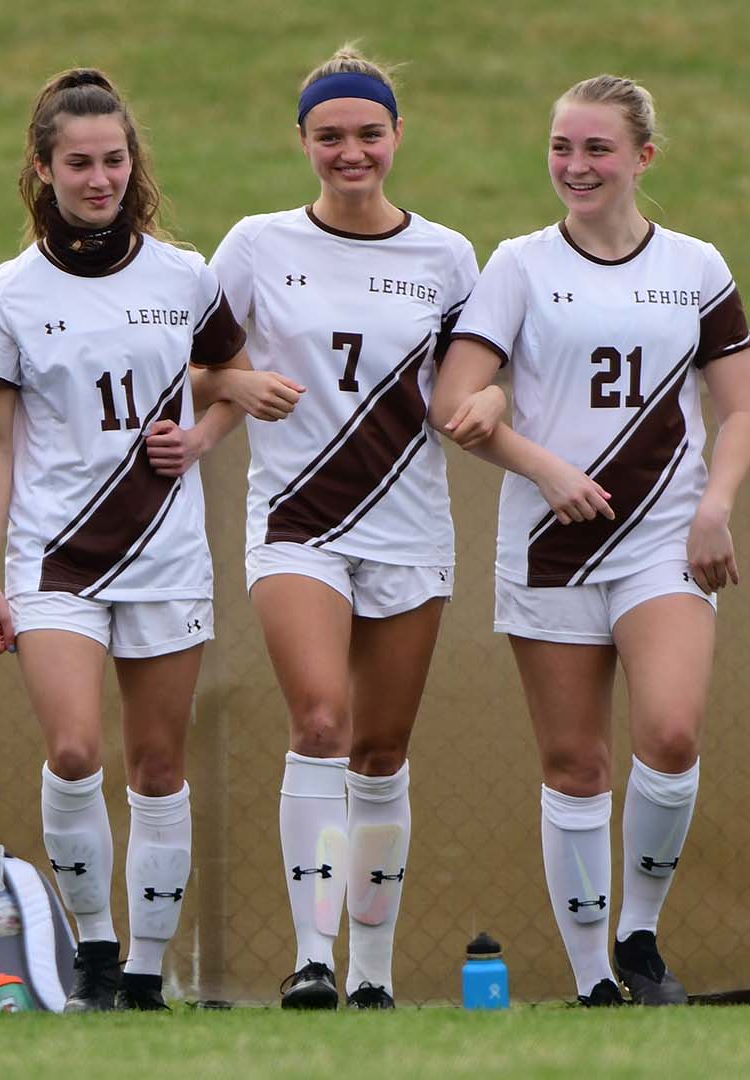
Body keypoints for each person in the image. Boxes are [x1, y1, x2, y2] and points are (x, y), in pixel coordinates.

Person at [431, 74, 750, 1006]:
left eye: (598, 150)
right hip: (550, 546)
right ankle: (593, 982)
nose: (575, 167)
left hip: (664, 539)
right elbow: (455, 403)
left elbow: (739, 415)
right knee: (575, 764)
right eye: (562, 148)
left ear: (643, 158)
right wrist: (541, 466)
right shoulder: (518, 264)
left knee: (669, 730)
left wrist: (716, 506)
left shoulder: (697, 266)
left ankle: (639, 932)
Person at [0, 67, 268, 1013]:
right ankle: (96, 950)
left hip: (168, 554)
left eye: (114, 160)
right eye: (79, 163)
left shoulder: (185, 275)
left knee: (158, 766)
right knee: (71, 750)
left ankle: (144, 972)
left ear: (132, 164)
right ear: (44, 169)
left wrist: (202, 436)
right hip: (54, 558)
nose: (99, 178)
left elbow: (231, 382)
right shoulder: (6, 293)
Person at [207, 45, 490, 1010]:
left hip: (409, 527)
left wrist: (492, 410)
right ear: (303, 141)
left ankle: (372, 973)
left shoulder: (448, 255)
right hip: (297, 522)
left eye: (369, 133)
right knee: (321, 721)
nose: (351, 151)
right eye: (330, 135)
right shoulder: (255, 244)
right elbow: (184, 357)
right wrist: (234, 379)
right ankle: (314, 957)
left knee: (380, 750)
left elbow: (476, 381)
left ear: (398, 136)